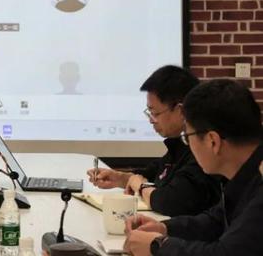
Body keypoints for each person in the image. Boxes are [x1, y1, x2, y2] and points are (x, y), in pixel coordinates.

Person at [124, 79, 263, 256]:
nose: (188, 144)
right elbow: (216, 221)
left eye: (187, 137)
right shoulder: (244, 175)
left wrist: (158, 246)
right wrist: (164, 228)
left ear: (213, 141)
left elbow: (227, 252)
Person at [88, 66, 220, 216]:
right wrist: (121, 178)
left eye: (155, 112)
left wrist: (141, 187)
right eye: (149, 112)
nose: (151, 120)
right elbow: (157, 173)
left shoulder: (202, 148)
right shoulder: (178, 145)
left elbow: (172, 201)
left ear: (181, 111)